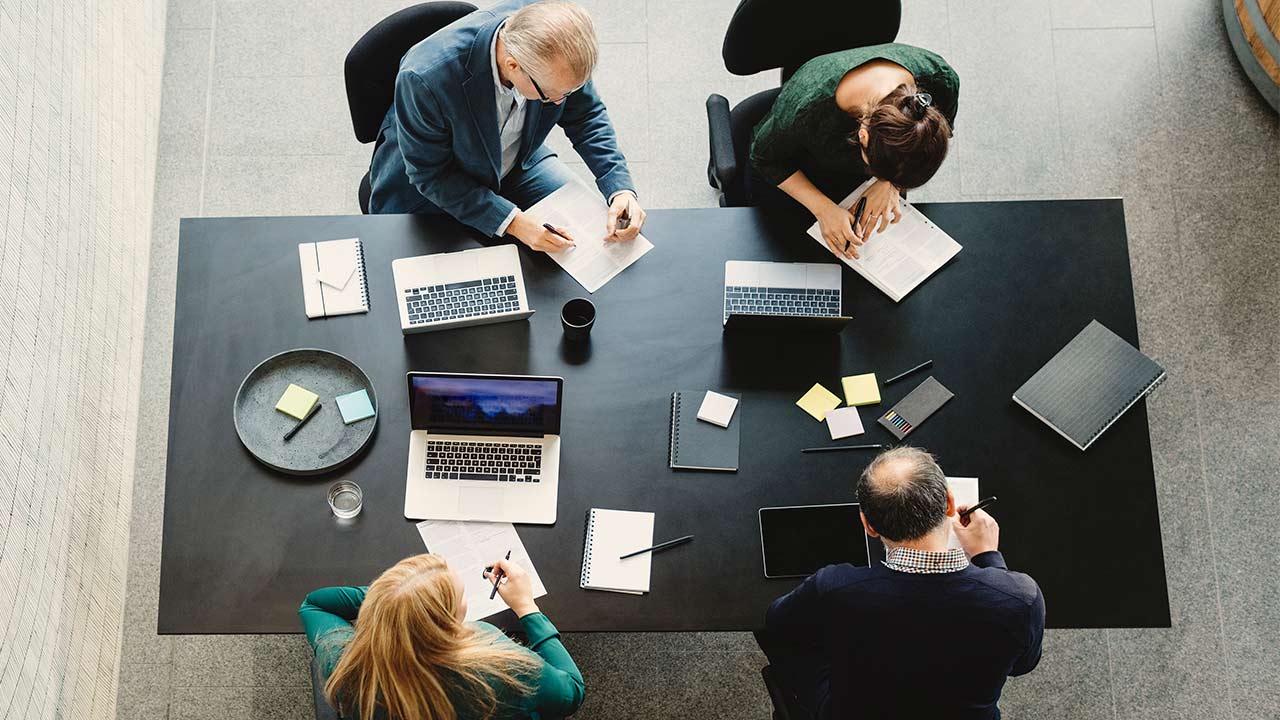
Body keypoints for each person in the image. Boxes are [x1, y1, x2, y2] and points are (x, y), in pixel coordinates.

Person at [757, 446, 1044, 719]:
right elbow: (1022, 665)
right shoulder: (1020, 598)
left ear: (868, 525)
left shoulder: (835, 588)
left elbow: (778, 619)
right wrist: (989, 558)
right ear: (950, 504)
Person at [368, 0, 646, 253]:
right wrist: (512, 221)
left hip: (517, 163)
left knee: (588, 243)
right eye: (551, 95)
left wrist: (619, 188)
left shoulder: (555, 41)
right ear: (513, 65)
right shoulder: (424, 78)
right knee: (473, 284)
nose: (559, 102)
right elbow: (432, 176)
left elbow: (586, 115)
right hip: (433, 188)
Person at [299, 553, 584, 720]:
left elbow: (314, 603)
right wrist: (527, 608)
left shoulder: (343, 663)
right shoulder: (501, 662)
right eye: (460, 597)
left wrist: (394, 601)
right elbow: (571, 693)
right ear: (450, 618)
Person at [749, 44, 958, 260]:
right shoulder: (806, 109)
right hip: (806, 167)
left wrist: (889, 185)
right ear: (863, 136)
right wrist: (824, 210)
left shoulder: (943, 80)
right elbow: (763, 157)